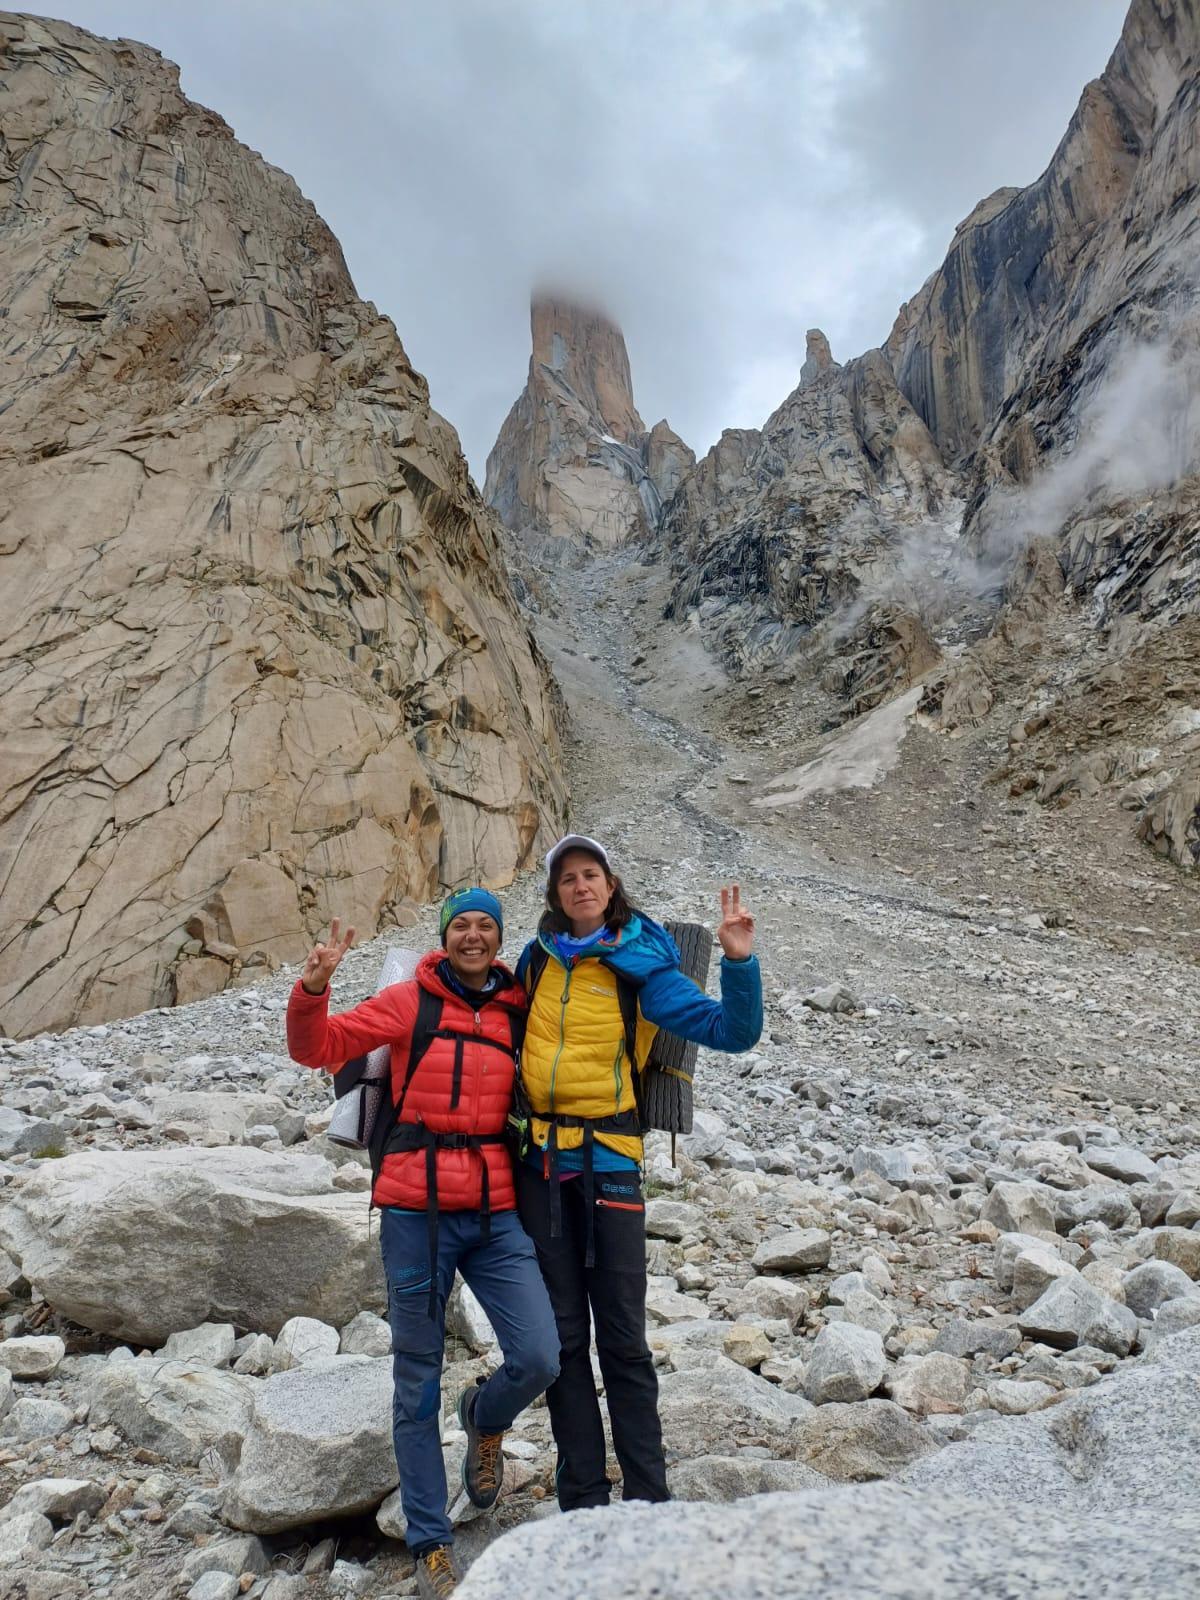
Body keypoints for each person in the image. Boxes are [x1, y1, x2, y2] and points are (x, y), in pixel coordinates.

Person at [286, 889, 560, 1600]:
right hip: (415, 1211)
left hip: (496, 1211)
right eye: (461, 925)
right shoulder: (410, 1001)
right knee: (416, 1378)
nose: (473, 936)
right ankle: (430, 1543)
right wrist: (314, 988)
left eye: (485, 925)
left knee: (539, 1355)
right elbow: (316, 1048)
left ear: (499, 937)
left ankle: (484, 1417)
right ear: (445, 936)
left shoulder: (516, 1006)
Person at [513, 834, 762, 1512]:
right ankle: (584, 1501)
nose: (579, 886)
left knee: (621, 1337)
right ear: (555, 895)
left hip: (613, 1167)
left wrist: (739, 962)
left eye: (589, 875)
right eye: (567, 879)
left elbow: (732, 1032)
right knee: (563, 1341)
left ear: (611, 885)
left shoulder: (642, 966)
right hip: (543, 1170)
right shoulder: (535, 963)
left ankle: (649, 1500)